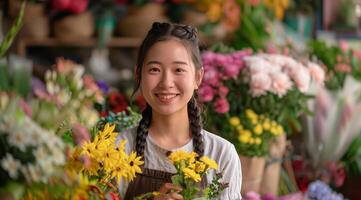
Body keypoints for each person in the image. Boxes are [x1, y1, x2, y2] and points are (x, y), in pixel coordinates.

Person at [118, 22, 242, 199]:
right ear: (138, 75)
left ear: (198, 77)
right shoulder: (119, 148)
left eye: (178, 70)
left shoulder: (221, 154)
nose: (166, 82)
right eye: (155, 69)